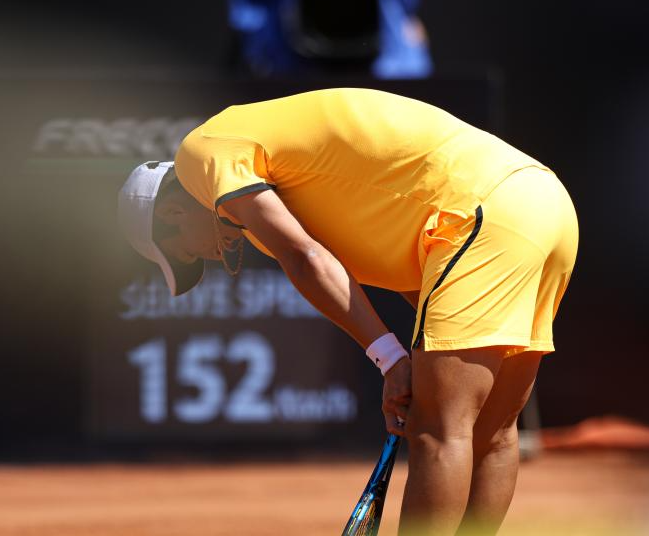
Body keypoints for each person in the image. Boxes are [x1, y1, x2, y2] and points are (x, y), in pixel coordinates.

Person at [117, 88, 578, 535]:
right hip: (544, 204)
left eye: (186, 254)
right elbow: (418, 283)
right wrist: (418, 361)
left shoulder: (200, 152)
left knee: (440, 430)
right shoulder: (283, 197)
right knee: (491, 432)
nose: (209, 258)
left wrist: (391, 360)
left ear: (173, 214)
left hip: (480, 213)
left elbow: (305, 259)